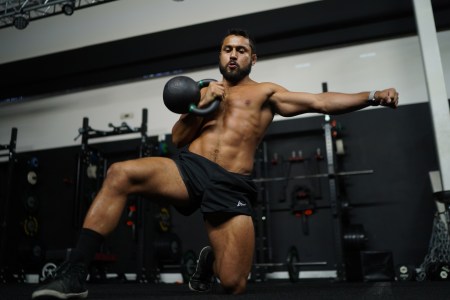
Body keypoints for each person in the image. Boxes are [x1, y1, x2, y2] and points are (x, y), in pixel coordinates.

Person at [32, 28, 399, 298]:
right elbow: (177, 139)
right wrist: (204, 103)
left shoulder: (266, 93)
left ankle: (209, 262)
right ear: (220, 56)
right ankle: (75, 273)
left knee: (233, 284)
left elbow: (320, 102)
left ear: (253, 58)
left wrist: (371, 96)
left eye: (241, 50)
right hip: (189, 170)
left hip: (230, 184)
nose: (234, 55)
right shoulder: (203, 90)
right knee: (120, 173)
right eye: (228, 49)